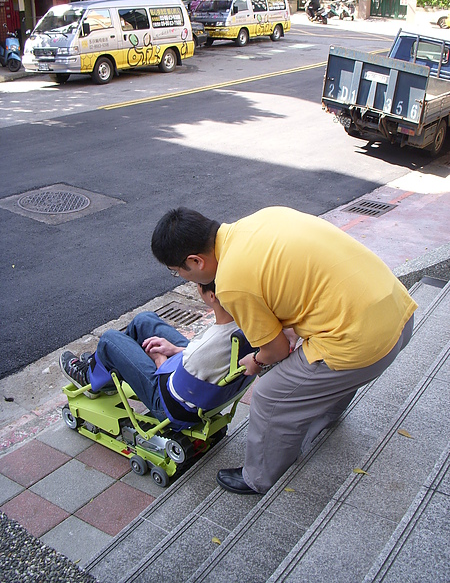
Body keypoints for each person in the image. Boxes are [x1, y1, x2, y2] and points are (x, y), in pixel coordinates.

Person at [151, 206, 417, 495]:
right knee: (318, 362)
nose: (183, 277)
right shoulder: (262, 218)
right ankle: (324, 418)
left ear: (195, 261)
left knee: (270, 395)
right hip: (398, 310)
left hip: (364, 344)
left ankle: (258, 477)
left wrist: (255, 361)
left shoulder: (231, 282)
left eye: (178, 272)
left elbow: (276, 350)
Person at [60, 282, 238, 422]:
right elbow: (205, 356)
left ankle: (90, 377)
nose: (197, 287)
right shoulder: (243, 326)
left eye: (199, 284)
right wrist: (175, 350)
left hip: (172, 404)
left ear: (212, 296)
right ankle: (106, 370)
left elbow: (170, 387)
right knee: (143, 321)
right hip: (198, 377)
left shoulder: (203, 347)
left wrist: (161, 360)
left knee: (109, 340)